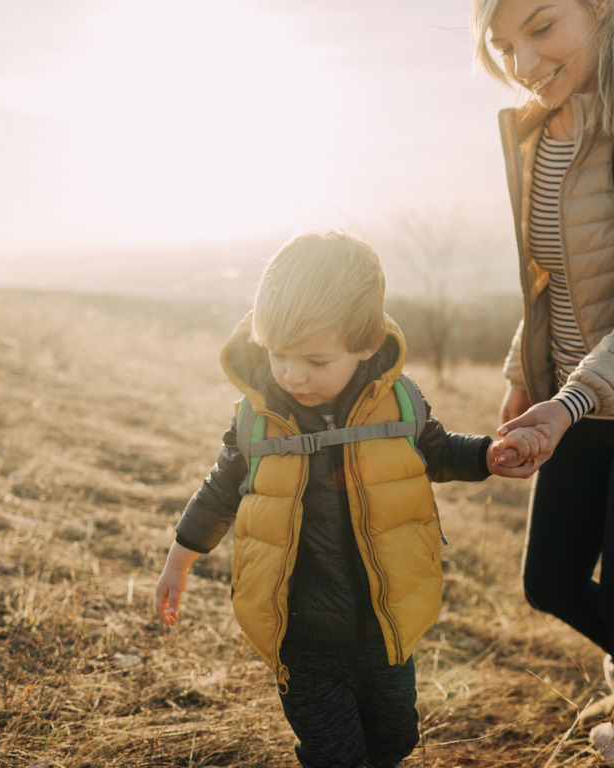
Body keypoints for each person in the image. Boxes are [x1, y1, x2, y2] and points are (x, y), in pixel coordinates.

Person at [154, 231, 529, 768]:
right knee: (335, 756)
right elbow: (219, 492)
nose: (291, 374)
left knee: (394, 741)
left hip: (387, 624)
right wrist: (179, 558)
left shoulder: (399, 402)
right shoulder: (259, 419)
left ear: (367, 344)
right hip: (301, 635)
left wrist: (488, 456)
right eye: (278, 354)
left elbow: (439, 452)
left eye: (315, 359)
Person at [473, 0, 614, 748]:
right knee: (549, 582)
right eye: (501, 45)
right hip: (575, 402)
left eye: (541, 26)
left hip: (586, 399)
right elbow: (551, 280)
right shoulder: (535, 132)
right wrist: (522, 379)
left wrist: (568, 401)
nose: (522, 64)